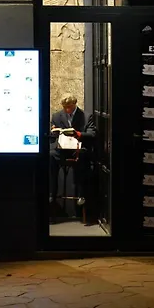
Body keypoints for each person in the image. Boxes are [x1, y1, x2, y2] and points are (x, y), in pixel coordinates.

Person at [49, 94, 96, 222]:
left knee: (83, 157)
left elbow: (92, 134)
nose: (67, 110)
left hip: (78, 149)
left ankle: (81, 195)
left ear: (74, 104)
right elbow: (51, 138)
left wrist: (78, 134)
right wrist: (54, 132)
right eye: (65, 107)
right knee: (51, 155)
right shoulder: (56, 116)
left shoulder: (86, 116)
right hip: (62, 149)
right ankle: (52, 194)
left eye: (69, 107)